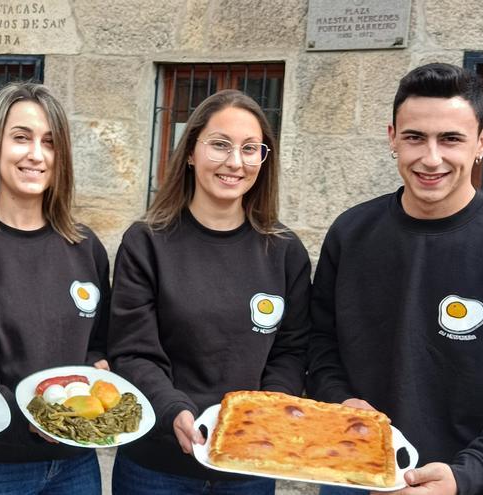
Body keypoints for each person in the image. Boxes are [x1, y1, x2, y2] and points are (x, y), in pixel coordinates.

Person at [307, 63, 483, 495]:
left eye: (450, 139)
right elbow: (320, 343)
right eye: (415, 137)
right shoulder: (351, 232)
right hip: (350, 471)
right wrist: (339, 401)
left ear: (482, 143)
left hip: (459, 478)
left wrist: (468, 475)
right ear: (392, 137)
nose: (431, 158)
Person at [107, 89, 311, 494]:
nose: (235, 162)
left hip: (248, 463)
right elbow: (132, 350)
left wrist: (261, 414)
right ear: (190, 152)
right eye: (220, 145)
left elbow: (291, 352)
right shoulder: (147, 242)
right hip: (158, 463)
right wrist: (173, 411)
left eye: (250, 149)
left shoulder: (285, 252)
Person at [0, 81, 110, 495]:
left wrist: (101, 364)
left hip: (76, 463)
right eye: (21, 138)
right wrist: (37, 418)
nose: (36, 154)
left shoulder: (85, 248)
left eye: (49, 142)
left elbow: (99, 342)